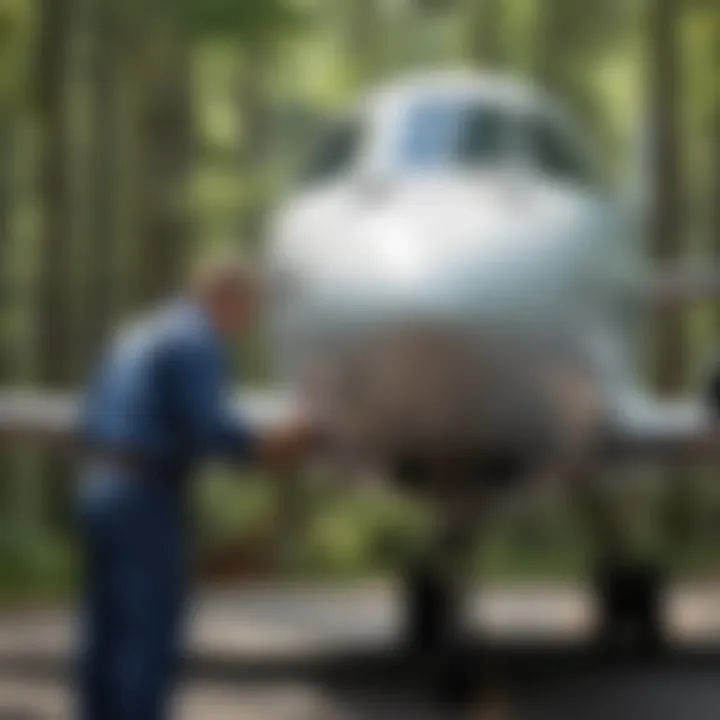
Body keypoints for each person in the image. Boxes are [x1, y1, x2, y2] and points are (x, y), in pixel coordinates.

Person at [76, 256, 315, 720]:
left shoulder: (137, 332)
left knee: (104, 629)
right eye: (250, 309)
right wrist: (270, 444)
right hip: (147, 493)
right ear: (225, 297)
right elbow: (209, 429)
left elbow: (90, 413)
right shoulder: (196, 341)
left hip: (100, 484)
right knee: (148, 633)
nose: (248, 323)